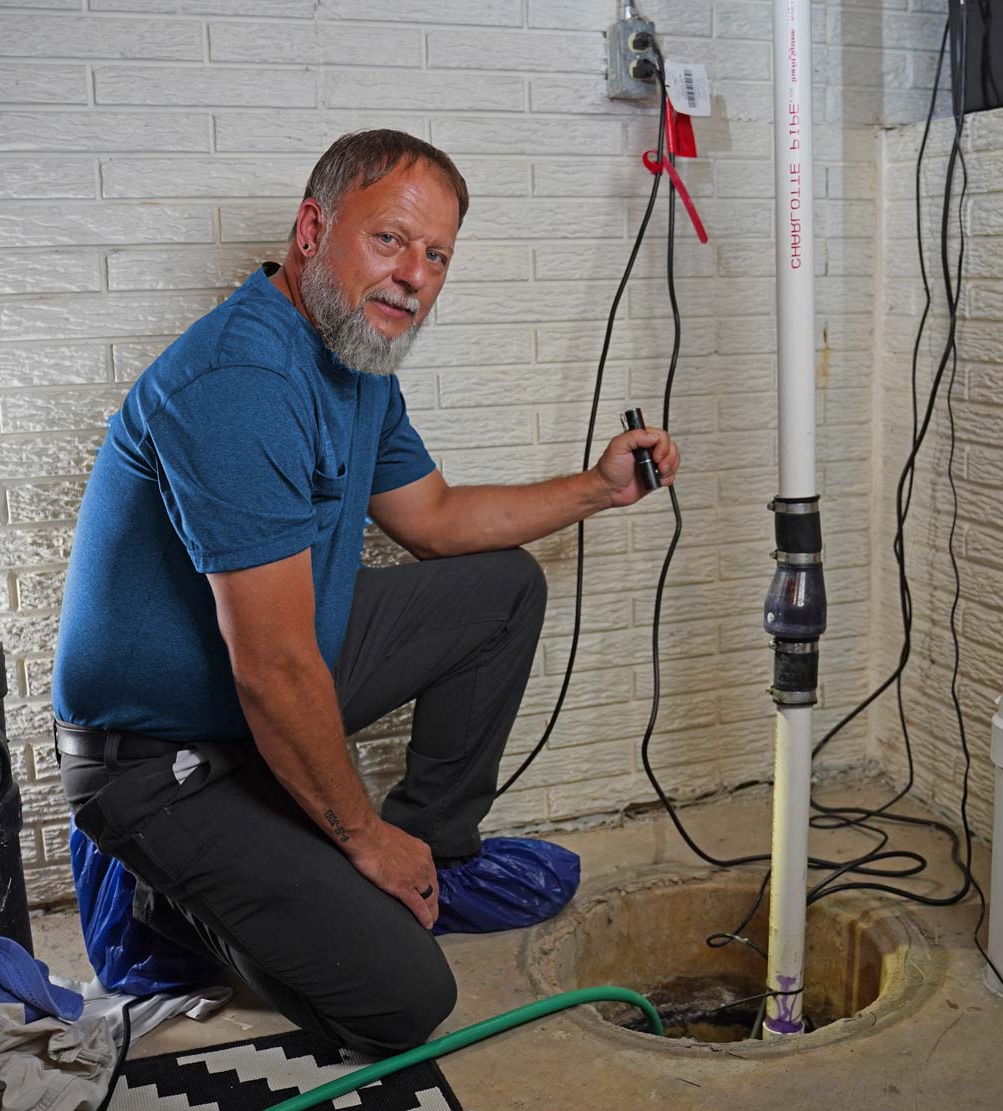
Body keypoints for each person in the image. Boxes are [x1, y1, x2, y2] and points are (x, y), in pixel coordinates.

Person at [52, 129, 680, 1055]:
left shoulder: (353, 358)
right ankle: (163, 905)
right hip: (160, 754)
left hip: (269, 672)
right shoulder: (242, 381)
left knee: (499, 589)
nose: (414, 275)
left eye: (435, 255)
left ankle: (438, 855)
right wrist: (363, 840)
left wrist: (597, 487)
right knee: (400, 996)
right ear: (313, 228)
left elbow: (432, 517)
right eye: (390, 240)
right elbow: (271, 667)